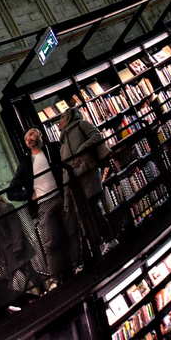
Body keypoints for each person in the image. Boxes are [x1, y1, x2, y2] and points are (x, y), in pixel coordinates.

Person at [7, 127, 72, 280]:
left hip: (62, 196)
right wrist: (29, 194)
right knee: (50, 243)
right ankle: (56, 277)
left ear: (40, 134)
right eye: (25, 139)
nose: (28, 139)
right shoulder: (25, 164)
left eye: (31, 134)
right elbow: (11, 192)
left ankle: (78, 263)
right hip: (43, 204)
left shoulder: (54, 149)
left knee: (72, 231)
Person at [57, 107, 113, 250]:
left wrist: (82, 149)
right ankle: (99, 243)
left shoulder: (81, 124)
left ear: (70, 117)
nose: (59, 121)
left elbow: (97, 136)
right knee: (85, 213)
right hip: (75, 180)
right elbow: (65, 166)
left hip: (87, 172)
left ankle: (109, 239)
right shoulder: (63, 140)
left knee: (93, 208)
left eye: (62, 117)